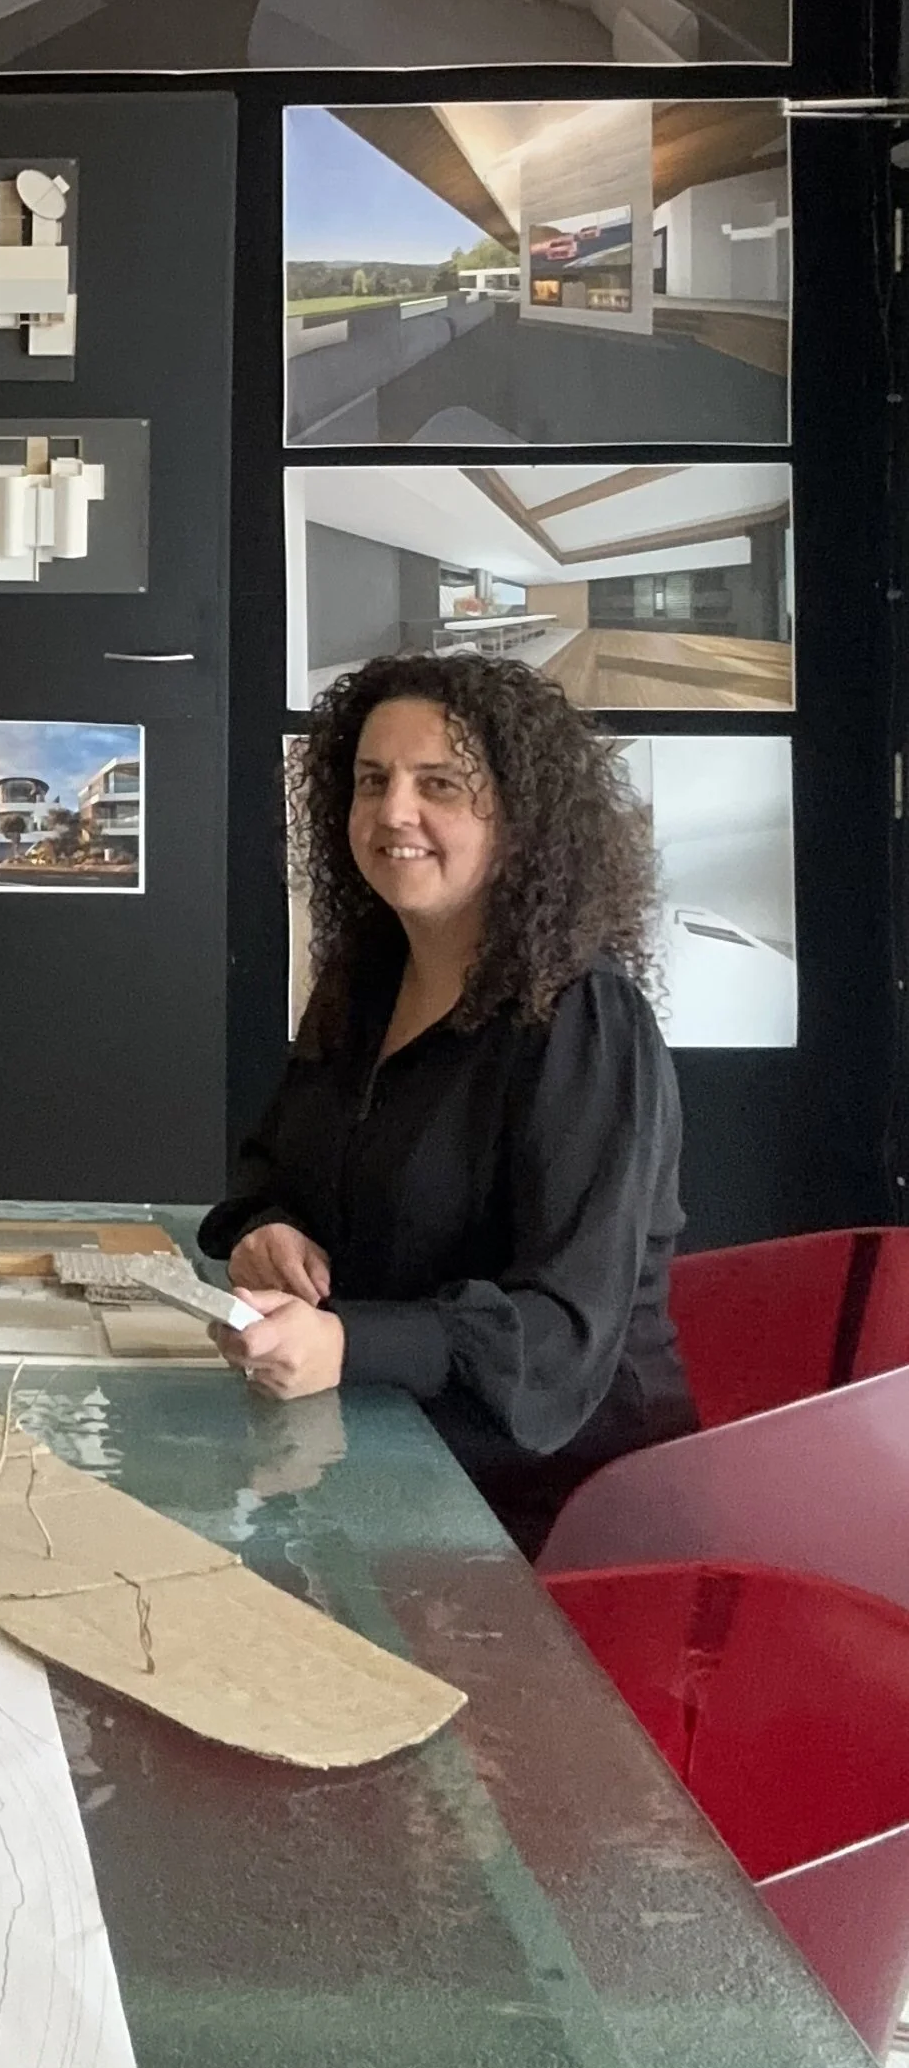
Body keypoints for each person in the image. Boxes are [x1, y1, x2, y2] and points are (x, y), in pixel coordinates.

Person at [199, 654, 696, 1554]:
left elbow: (560, 1331)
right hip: (376, 1442)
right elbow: (271, 1168)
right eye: (372, 781)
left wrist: (349, 1344)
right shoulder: (359, 986)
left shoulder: (584, 1018)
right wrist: (268, 1227)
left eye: (439, 784)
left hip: (558, 1498)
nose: (394, 811)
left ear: (520, 817)